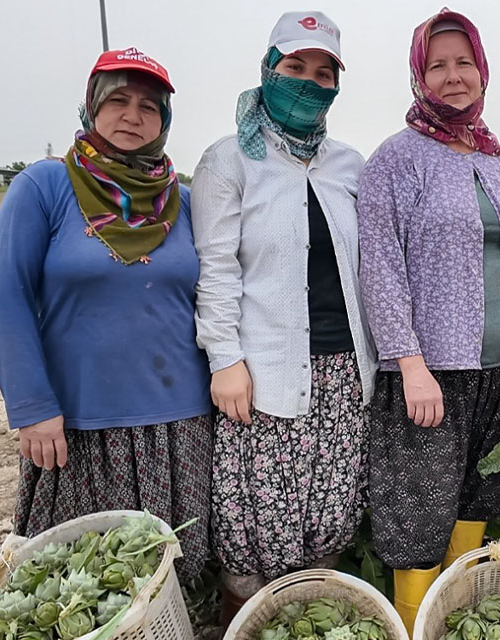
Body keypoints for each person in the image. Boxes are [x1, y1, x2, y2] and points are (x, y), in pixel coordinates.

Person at [356, 8, 500, 632]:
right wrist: (410, 364)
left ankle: (454, 617)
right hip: (431, 370)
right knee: (418, 509)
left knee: (479, 495)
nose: (453, 76)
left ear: (483, 71)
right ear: (419, 77)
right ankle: (415, 622)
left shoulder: (496, 158)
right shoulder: (396, 159)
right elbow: (380, 266)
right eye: (437, 65)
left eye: (463, 62)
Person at [0, 48, 212, 578]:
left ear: (165, 120)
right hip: (79, 426)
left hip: (180, 428)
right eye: (118, 101)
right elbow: (6, 297)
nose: (132, 116)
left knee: (175, 578)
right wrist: (31, 406)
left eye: (148, 107)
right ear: (90, 107)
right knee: (82, 584)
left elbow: (220, 294)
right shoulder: (44, 187)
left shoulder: (187, 200)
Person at [191, 11, 378, 622]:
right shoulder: (229, 161)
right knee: (257, 520)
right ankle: (249, 624)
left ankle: (312, 621)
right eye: (295, 67)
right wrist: (226, 361)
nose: (309, 82)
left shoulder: (347, 164)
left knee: (329, 512)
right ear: (268, 70)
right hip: (263, 372)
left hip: (345, 373)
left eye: (323, 73)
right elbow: (216, 270)